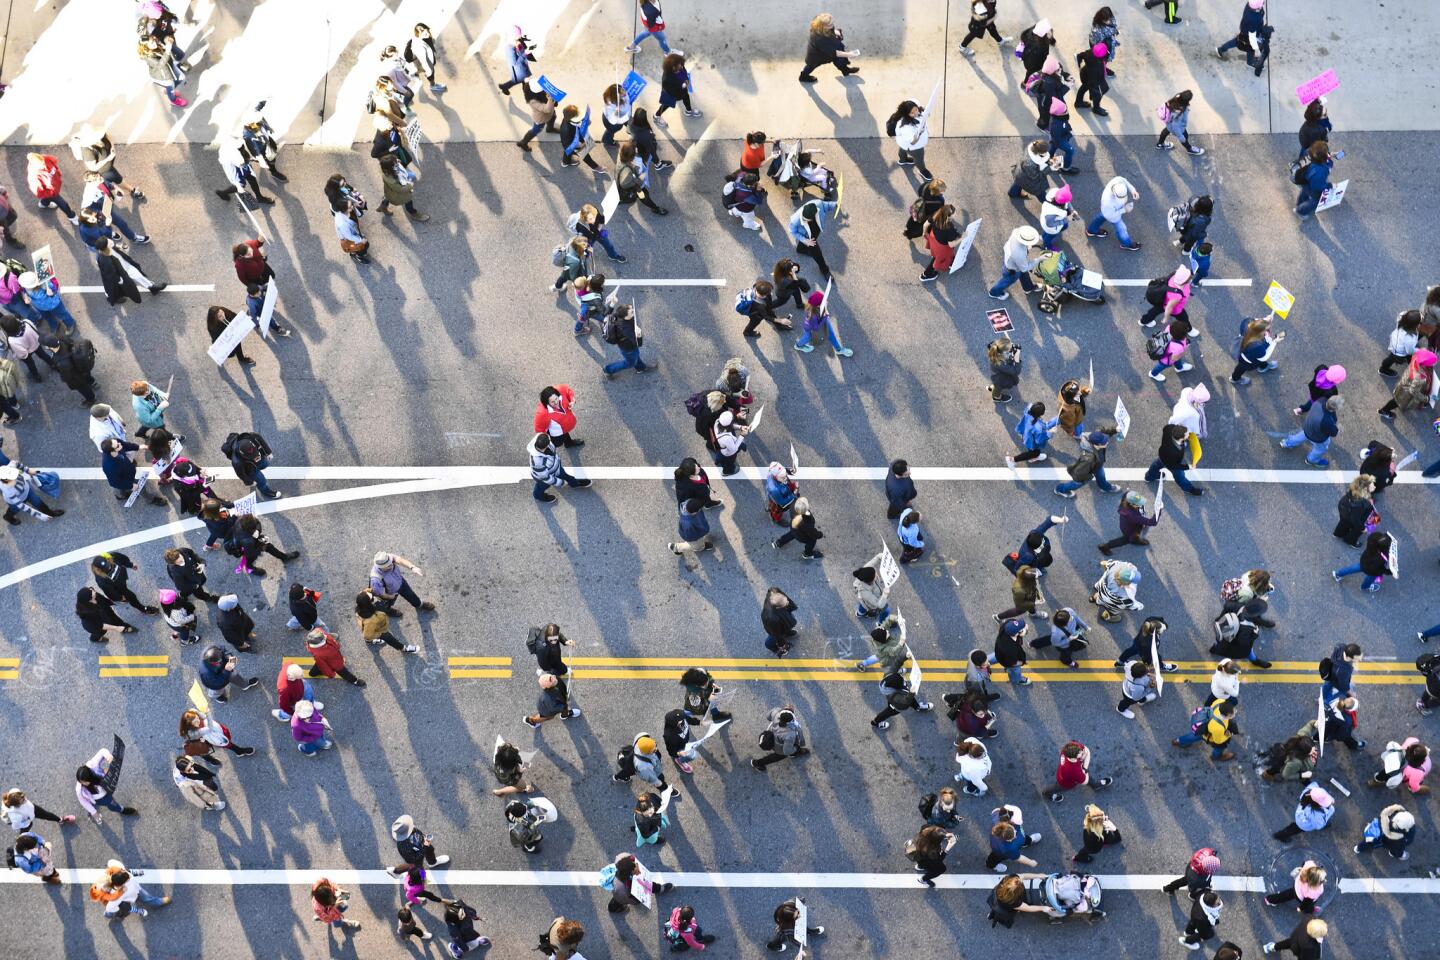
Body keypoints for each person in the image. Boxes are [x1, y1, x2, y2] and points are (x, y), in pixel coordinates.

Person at [75, 747, 138, 823]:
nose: (82, 783)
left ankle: (119, 809)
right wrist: (93, 812)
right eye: (80, 781)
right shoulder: (79, 789)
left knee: (111, 801)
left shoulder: (92, 766)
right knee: (111, 803)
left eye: (84, 782)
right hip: (99, 799)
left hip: (106, 788)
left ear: (90, 777)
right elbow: (83, 801)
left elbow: (102, 751)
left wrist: (108, 756)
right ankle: (121, 809)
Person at [1379, 348, 1439, 420]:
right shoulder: (1420, 377)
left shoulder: (1417, 359)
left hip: (1405, 382)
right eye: (1432, 363)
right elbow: (1413, 391)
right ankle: (1384, 410)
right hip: (1406, 393)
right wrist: (1427, 399)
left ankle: (1385, 409)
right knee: (1397, 401)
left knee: (1397, 398)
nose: (1434, 364)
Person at [799, 13, 859, 82]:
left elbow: (831, 30)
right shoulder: (819, 39)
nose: (832, 25)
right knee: (811, 66)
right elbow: (834, 52)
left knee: (839, 59)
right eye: (830, 24)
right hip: (816, 56)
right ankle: (803, 76)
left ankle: (845, 70)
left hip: (827, 49)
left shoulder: (820, 26)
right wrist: (849, 54)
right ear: (823, 27)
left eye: (832, 22)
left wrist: (835, 32)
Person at [325, 174, 371, 264]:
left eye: (344, 181)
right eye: (342, 185)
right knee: (363, 245)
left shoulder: (343, 194)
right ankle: (358, 255)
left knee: (354, 227)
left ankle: (357, 252)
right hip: (349, 230)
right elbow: (349, 236)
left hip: (346, 216)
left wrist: (357, 197)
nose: (345, 185)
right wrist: (361, 240)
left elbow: (351, 191)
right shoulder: (342, 221)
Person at [1173, 699, 1239, 761]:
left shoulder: (1220, 701)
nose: (1235, 713)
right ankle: (1216, 756)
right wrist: (1228, 735)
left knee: (1196, 735)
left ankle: (1179, 741)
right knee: (1219, 747)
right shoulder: (1218, 728)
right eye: (1232, 714)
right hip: (1208, 733)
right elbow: (1218, 741)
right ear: (1226, 715)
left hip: (1204, 723)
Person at [988, 225, 1042, 300]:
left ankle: (1028, 288)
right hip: (1012, 269)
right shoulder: (1019, 254)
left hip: (1010, 258)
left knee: (1023, 274)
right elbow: (1025, 268)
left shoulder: (1016, 232)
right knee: (1007, 281)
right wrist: (1039, 259)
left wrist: (1026, 248)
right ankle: (994, 293)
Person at [356, 589, 417, 654]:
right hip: (379, 630)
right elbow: (367, 635)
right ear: (368, 604)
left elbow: (366, 591)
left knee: (368, 634)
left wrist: (371, 591)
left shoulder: (360, 608)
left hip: (367, 627)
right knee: (389, 639)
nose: (373, 598)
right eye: (372, 599)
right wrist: (379, 634)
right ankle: (404, 648)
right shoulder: (371, 620)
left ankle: (369, 641)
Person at [794, 289, 850, 358]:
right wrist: (825, 316)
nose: (826, 301)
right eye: (823, 301)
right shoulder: (813, 316)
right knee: (808, 336)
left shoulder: (814, 306)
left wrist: (825, 310)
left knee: (831, 333)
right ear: (819, 305)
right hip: (811, 327)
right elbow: (816, 328)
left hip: (820, 321)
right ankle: (798, 346)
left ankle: (839, 349)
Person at [985, 804, 1041, 873]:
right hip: (999, 852)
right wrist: (1031, 862)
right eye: (1014, 833)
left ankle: (1029, 841)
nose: (1015, 833)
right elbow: (1019, 858)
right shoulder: (1009, 849)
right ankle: (991, 865)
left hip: (1018, 840)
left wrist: (1004, 813)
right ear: (1010, 840)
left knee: (1024, 839)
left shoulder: (999, 819)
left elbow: (995, 811)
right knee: (994, 858)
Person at [887, 100, 933, 181]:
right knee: (919, 158)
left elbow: (917, 107)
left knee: (903, 149)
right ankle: (922, 170)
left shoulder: (913, 110)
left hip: (903, 143)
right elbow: (913, 142)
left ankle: (903, 160)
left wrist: (924, 113)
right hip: (914, 147)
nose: (916, 113)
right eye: (912, 112)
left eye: (916, 109)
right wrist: (920, 132)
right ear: (906, 114)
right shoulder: (905, 126)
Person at [752, 706, 808, 770]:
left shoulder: (776, 713)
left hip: (770, 738)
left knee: (789, 745)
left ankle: (793, 753)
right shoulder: (790, 734)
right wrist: (796, 748)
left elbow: (768, 716)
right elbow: (786, 751)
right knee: (781, 754)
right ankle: (757, 763)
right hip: (779, 747)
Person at [653, 53, 701, 127]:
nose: (681, 67)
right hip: (672, 94)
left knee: (686, 97)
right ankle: (656, 116)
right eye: (679, 66)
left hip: (682, 91)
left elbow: (684, 73)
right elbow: (669, 90)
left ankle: (688, 111)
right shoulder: (667, 79)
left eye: (681, 65)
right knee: (666, 105)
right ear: (672, 67)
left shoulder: (680, 66)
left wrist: (686, 80)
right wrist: (682, 86)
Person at [1006, 402, 1058, 466]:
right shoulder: (1038, 427)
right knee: (1034, 453)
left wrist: (1056, 420)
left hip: (1026, 435)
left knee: (1030, 450)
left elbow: (1030, 406)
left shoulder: (1028, 411)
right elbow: (1039, 440)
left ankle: (1032, 457)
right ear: (1041, 414)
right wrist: (1050, 432)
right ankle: (1012, 459)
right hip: (1032, 442)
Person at [377, 155, 427, 221]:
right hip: (398, 195)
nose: (397, 162)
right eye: (395, 163)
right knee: (408, 201)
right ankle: (414, 214)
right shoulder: (392, 180)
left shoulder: (385, 168)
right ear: (390, 167)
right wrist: (410, 185)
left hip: (389, 191)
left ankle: (383, 206)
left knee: (387, 197)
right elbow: (401, 189)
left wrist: (397, 162)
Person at [516, 78, 558, 152]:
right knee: (536, 130)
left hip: (550, 113)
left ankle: (550, 128)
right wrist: (550, 99)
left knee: (553, 117)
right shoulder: (533, 102)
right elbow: (547, 110)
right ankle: (523, 142)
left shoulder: (532, 85)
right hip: (541, 118)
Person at [1294, 141, 1334, 219]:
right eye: (1326, 153)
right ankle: (1301, 211)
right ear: (1323, 159)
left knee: (1304, 192)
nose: (1328, 154)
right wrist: (1329, 186)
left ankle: (1300, 203)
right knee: (1316, 200)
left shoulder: (1308, 153)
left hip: (1305, 181)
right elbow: (1318, 186)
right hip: (1312, 186)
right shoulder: (1318, 171)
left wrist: (1328, 157)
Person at [1157, 89, 1204, 155]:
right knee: (1185, 136)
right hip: (1178, 127)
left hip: (1168, 122)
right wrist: (1181, 137)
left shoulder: (1176, 98)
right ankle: (1189, 149)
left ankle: (1160, 144)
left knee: (1167, 130)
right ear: (1186, 101)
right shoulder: (1179, 112)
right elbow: (1175, 126)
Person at [909, 823, 956, 887]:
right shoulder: (932, 851)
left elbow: (936, 832)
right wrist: (948, 848)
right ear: (936, 841)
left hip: (918, 853)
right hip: (927, 859)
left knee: (922, 862)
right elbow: (939, 860)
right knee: (942, 869)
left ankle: (920, 866)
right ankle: (923, 879)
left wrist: (945, 834)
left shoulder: (925, 828)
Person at [1380, 310, 1422, 377]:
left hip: (1396, 340)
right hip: (1399, 352)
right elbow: (1410, 351)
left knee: (1394, 357)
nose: (1422, 318)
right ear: (1415, 325)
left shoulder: (1402, 317)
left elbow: (1405, 313)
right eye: (1420, 322)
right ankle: (1383, 369)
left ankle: (1410, 362)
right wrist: (1419, 350)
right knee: (1392, 358)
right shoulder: (1410, 338)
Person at [1074, 43, 1110, 116]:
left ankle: (1078, 102)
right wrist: (1092, 91)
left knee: (1083, 87)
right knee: (1098, 94)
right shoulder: (1097, 66)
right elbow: (1094, 81)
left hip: (1085, 74)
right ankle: (1096, 108)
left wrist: (1078, 64)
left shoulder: (1090, 52)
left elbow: (1079, 56)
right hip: (1094, 80)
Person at [1263, 918, 1328, 958]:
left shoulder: (1307, 921)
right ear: (1316, 936)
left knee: (1283, 944)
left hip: (1293, 939)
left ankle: (1271, 947)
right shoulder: (1312, 946)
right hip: (1298, 949)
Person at [497, 26, 534, 94]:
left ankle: (504, 86)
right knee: (522, 81)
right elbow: (515, 64)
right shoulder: (510, 49)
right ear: (512, 37)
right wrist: (525, 53)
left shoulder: (514, 43)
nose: (520, 38)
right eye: (518, 37)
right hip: (518, 70)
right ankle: (528, 94)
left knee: (521, 81)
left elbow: (520, 53)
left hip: (522, 68)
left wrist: (522, 49)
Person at [986, 338, 1022, 403]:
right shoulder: (1001, 364)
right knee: (998, 387)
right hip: (1001, 378)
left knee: (997, 384)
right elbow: (1016, 371)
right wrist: (1017, 357)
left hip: (997, 374)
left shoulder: (996, 349)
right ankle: (996, 397)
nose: (1012, 345)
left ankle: (993, 387)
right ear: (1003, 353)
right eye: (1010, 348)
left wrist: (1011, 352)